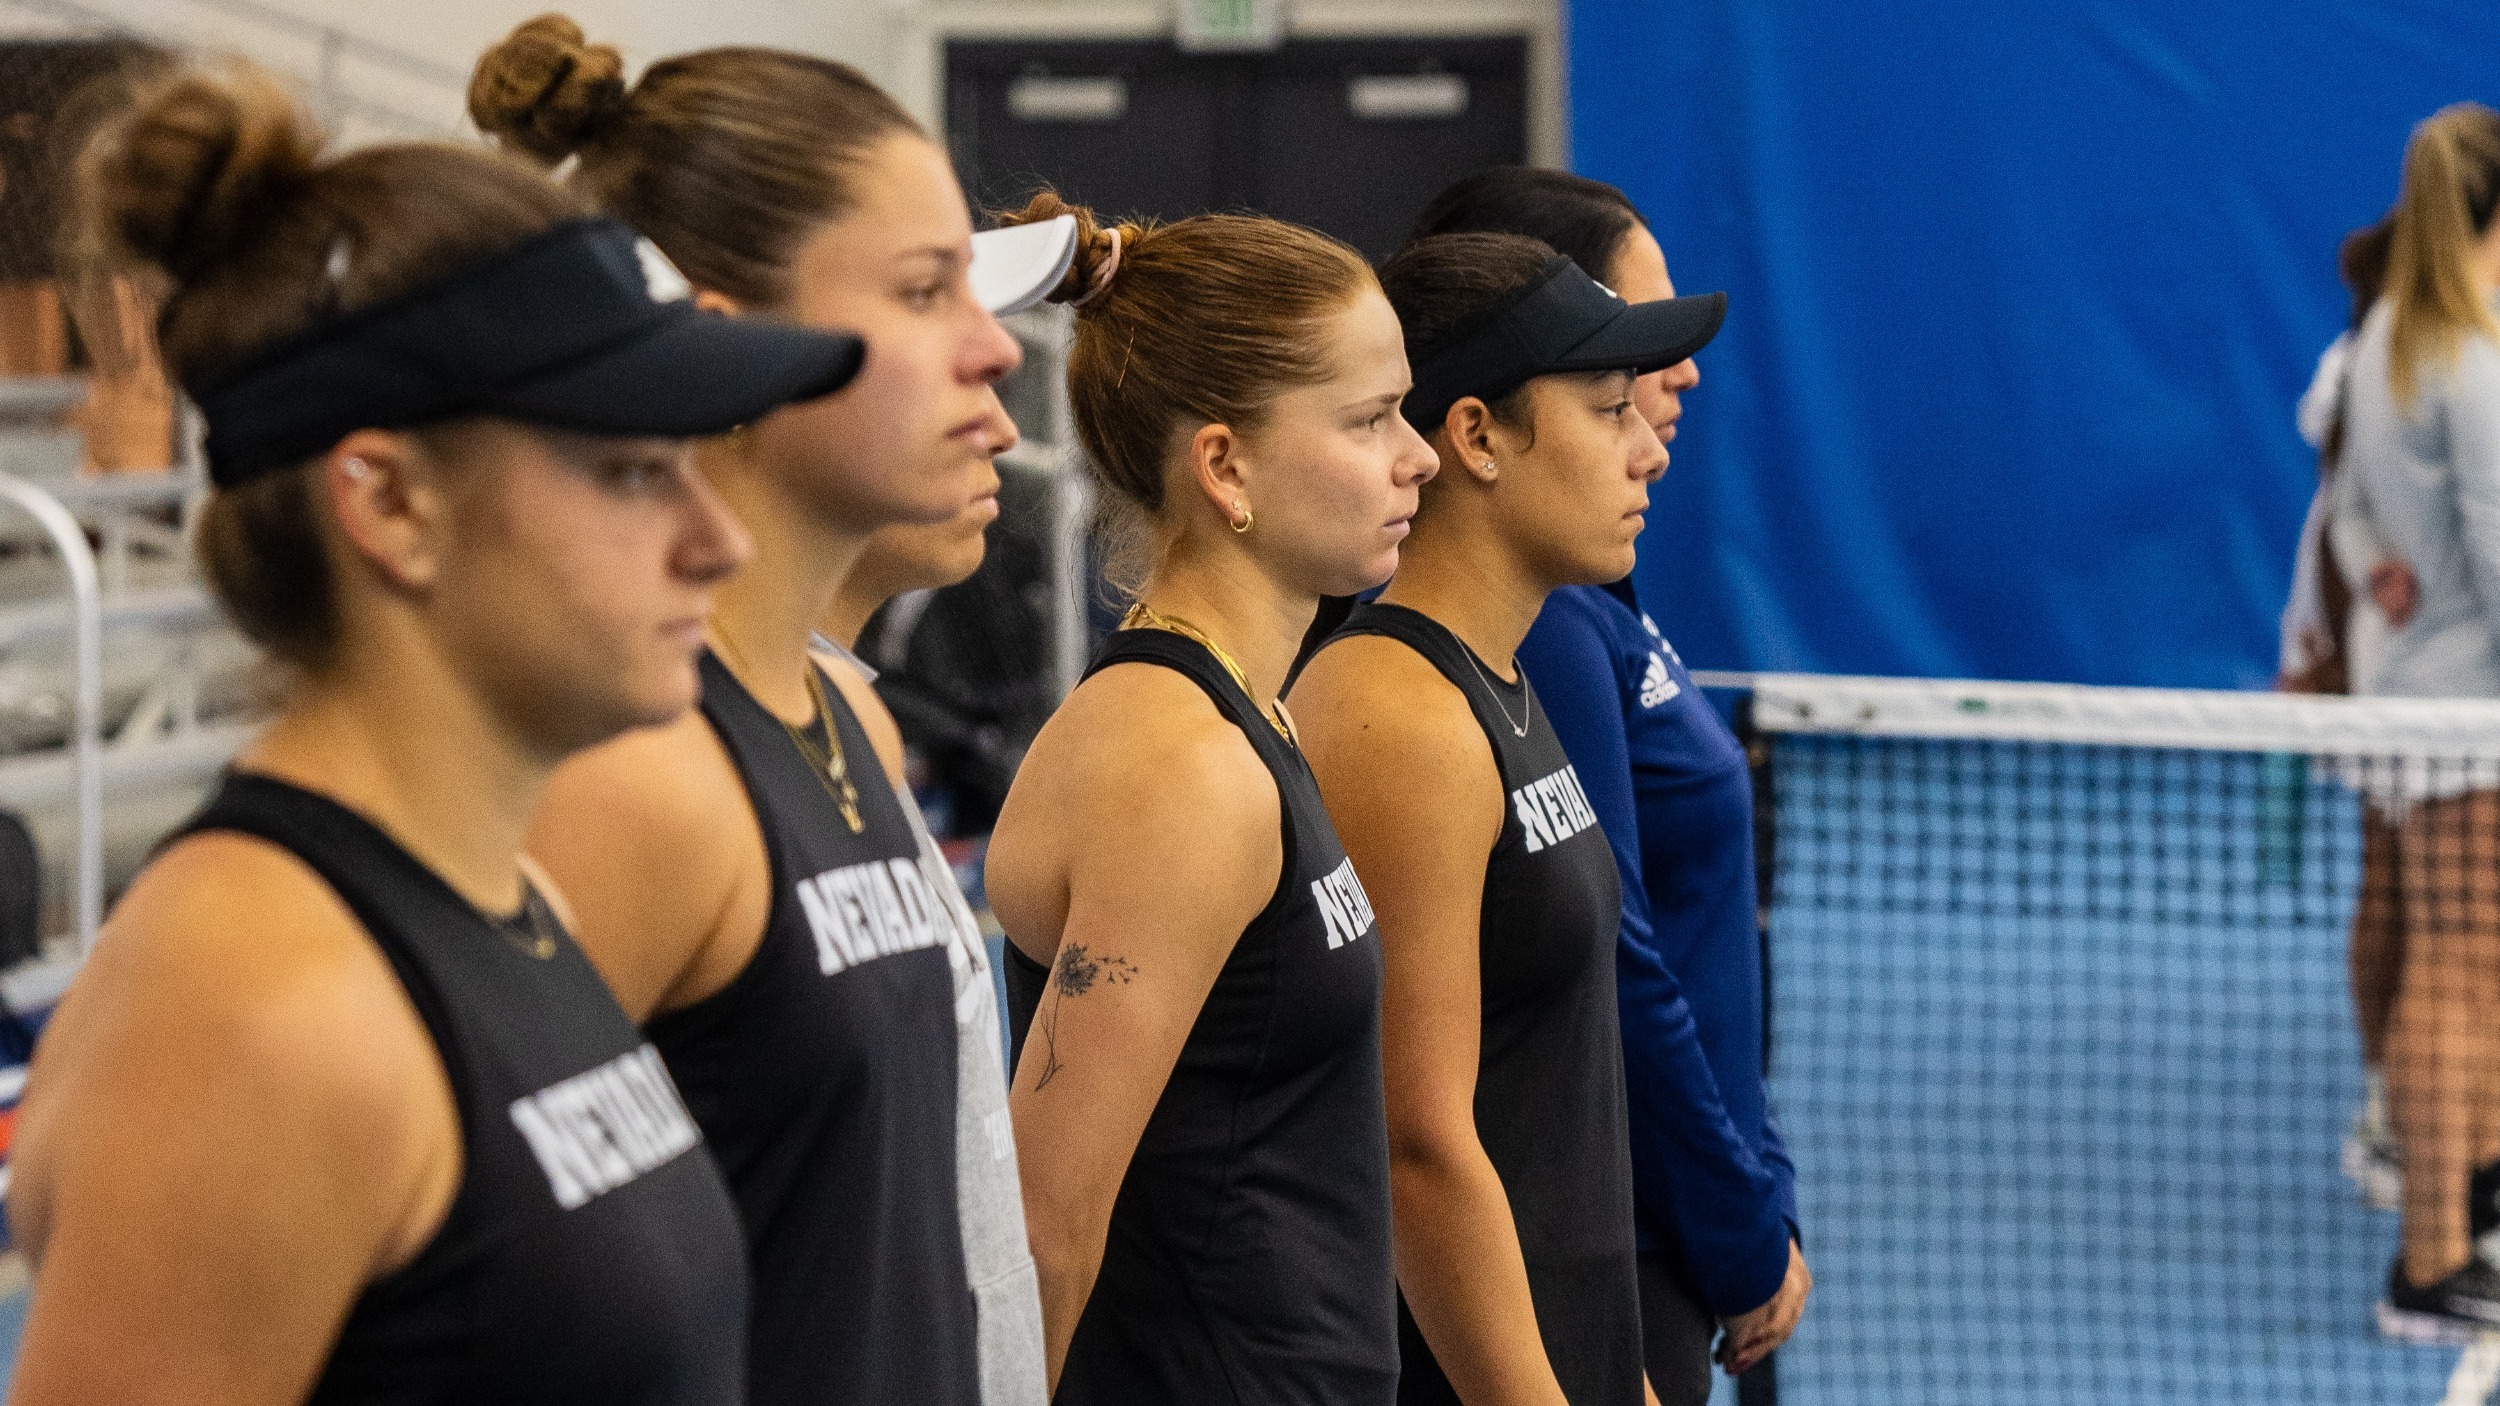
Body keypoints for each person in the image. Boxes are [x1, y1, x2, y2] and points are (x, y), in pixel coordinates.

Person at [8, 59, 867, 1404]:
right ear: (392, 504)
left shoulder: (498, 890)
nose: (718, 539)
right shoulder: (248, 1009)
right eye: (636, 473)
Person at [469, 19, 1042, 1405]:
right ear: (717, 347)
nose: (1000, 352)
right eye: (924, 292)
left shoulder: (853, 723)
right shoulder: (637, 783)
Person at [983, 193, 1438, 1403]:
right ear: (1224, 462)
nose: (1421, 453)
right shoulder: (1180, 773)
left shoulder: (1247, 714)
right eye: (1370, 418)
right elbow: (1044, 1217)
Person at [1292, 231, 1722, 1406]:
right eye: (1604, 411)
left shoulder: (1506, 680)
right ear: (1474, 436)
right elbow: (1418, 1147)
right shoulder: (1394, 715)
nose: (1647, 454)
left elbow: (1543, 1115)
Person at [1401, 167, 1806, 1403]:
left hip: (1640, 1239)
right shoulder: (1506, 654)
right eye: (1607, 388)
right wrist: (1737, 1222)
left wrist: (1754, 1177)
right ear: (1476, 427)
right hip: (1606, 1245)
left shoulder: (1571, 613)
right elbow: (1607, 978)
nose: (1653, 411)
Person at [2333, 102, 2500, 1340]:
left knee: (2438, 955)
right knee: (2460, 972)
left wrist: (2381, 560)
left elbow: (2346, 514)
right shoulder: (2477, 363)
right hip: (2465, 717)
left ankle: (2450, 1188)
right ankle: (2432, 1260)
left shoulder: (2390, 330)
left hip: (2403, 695)